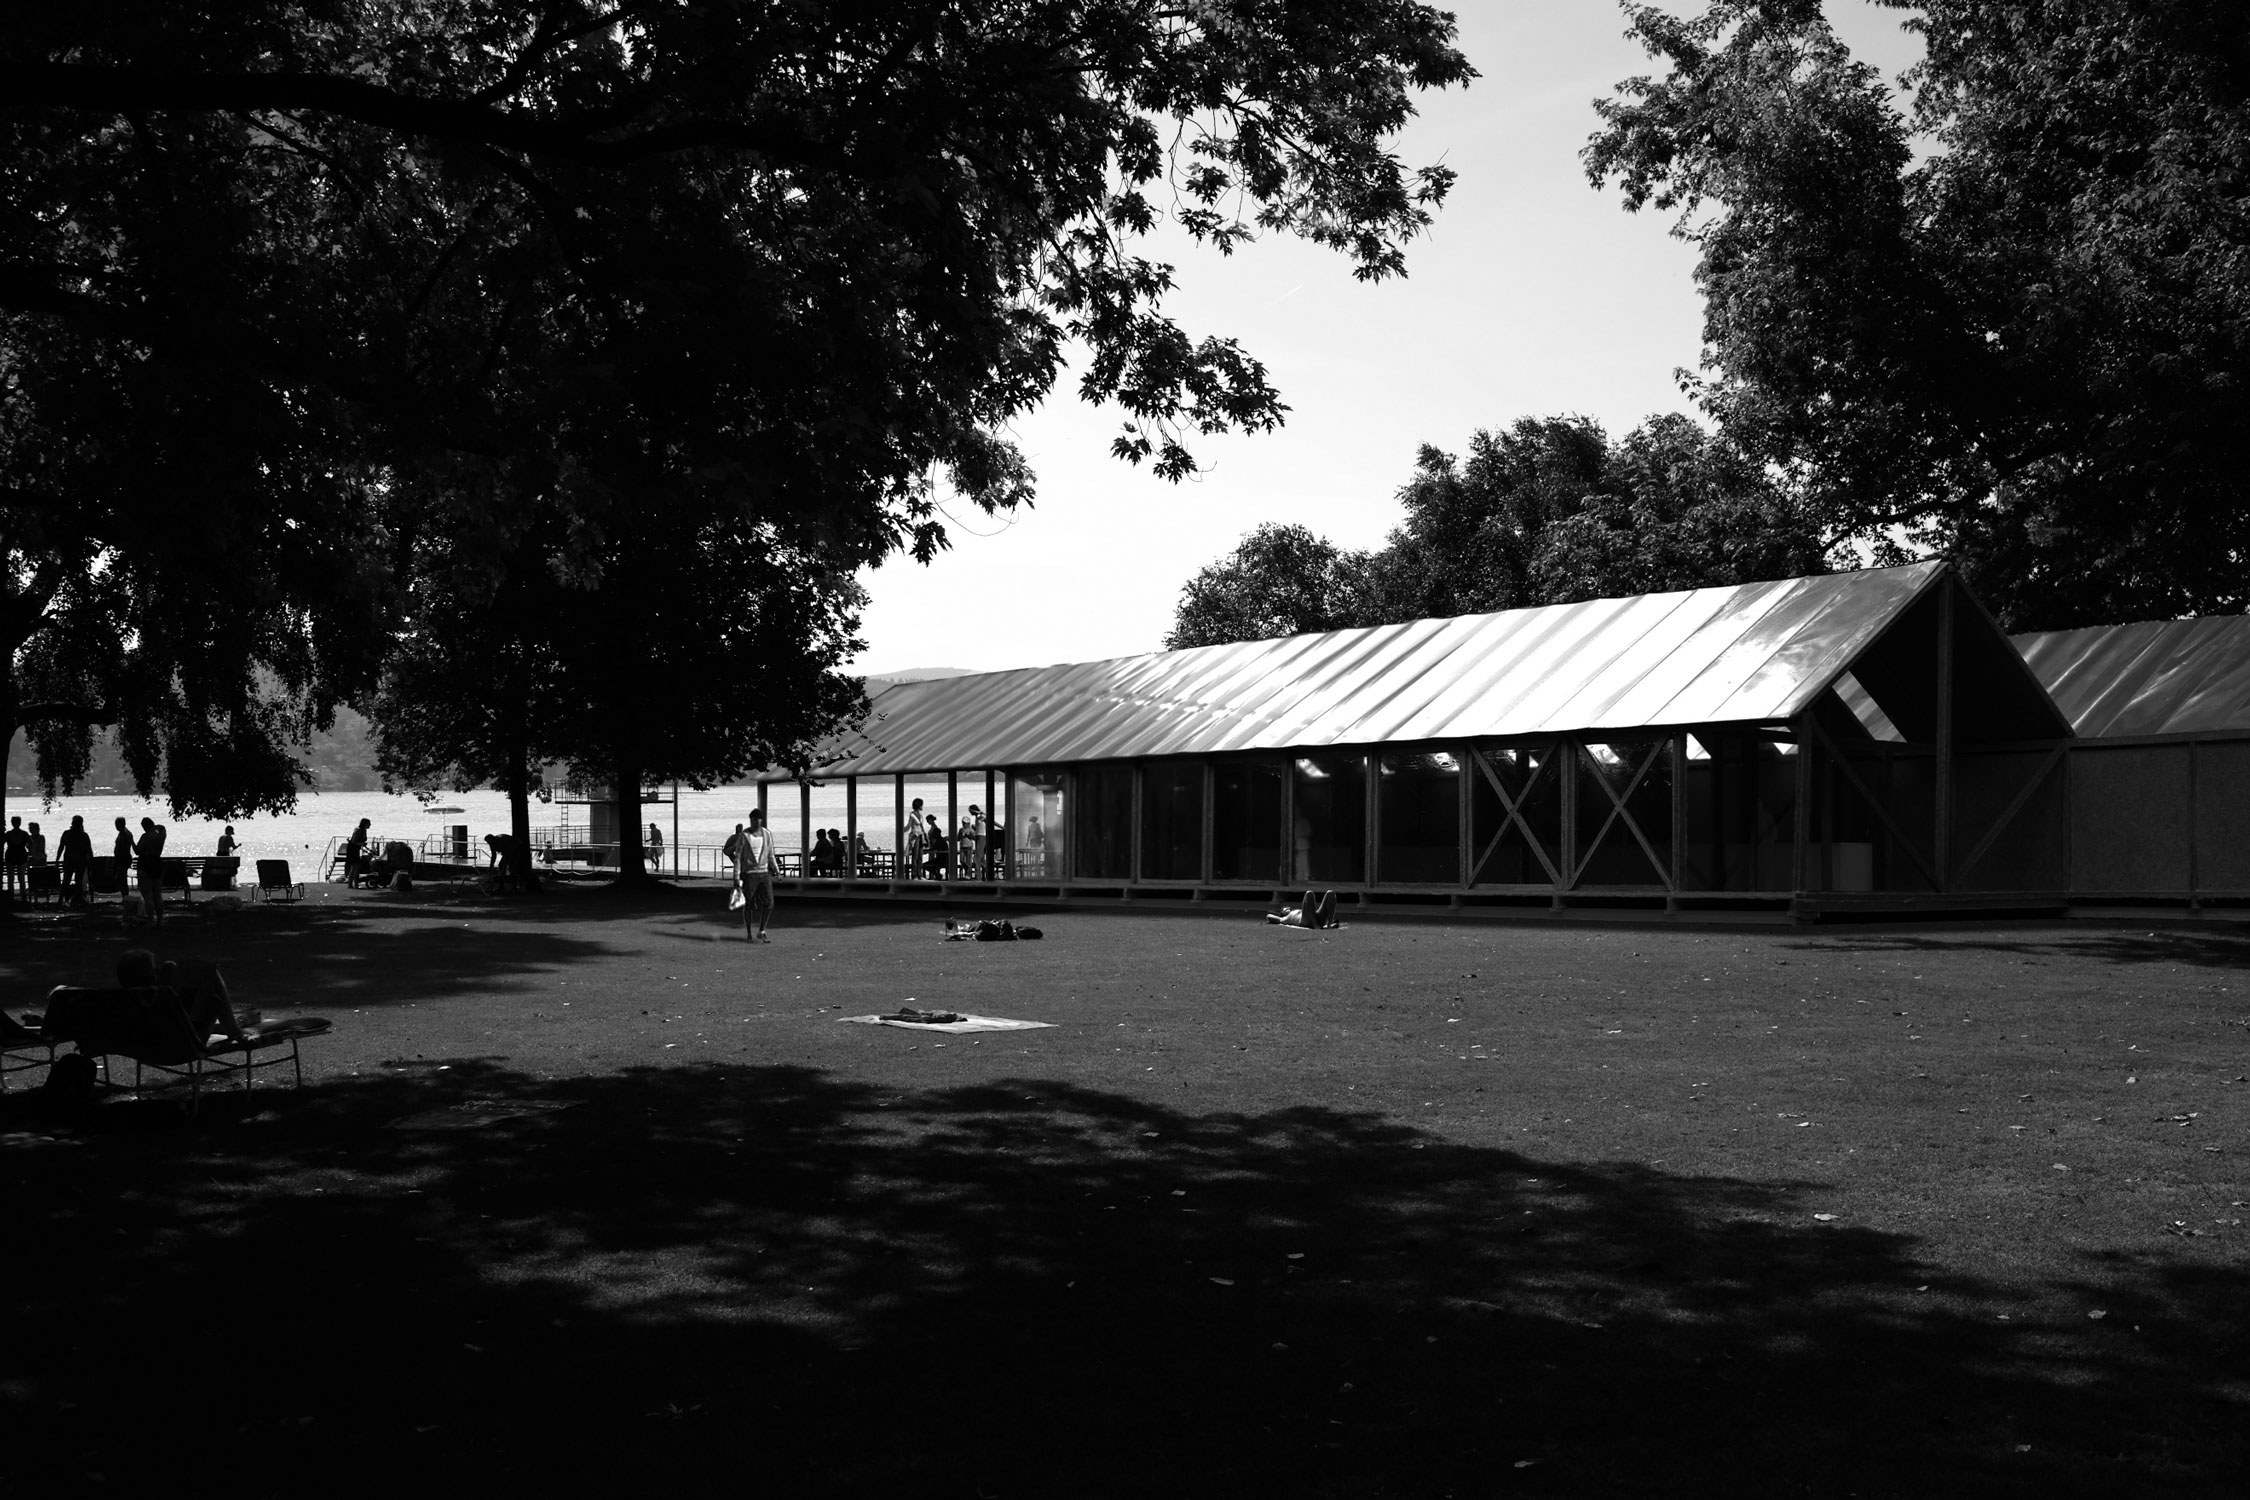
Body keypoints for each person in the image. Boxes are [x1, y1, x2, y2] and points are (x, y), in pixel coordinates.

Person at [733, 808, 775, 943]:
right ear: (750, 820)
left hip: (764, 872)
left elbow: (770, 853)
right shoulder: (744, 836)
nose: (755, 822)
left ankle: (762, 930)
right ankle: (749, 933)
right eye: (753, 819)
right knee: (749, 904)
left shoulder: (766, 834)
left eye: (758, 819)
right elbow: (738, 857)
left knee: (769, 903)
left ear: (761, 820)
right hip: (749, 874)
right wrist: (736, 876)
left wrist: (776, 868)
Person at [136, 817, 168, 926]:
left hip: (145, 864)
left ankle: (150, 920)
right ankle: (160, 919)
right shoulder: (161, 835)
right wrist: (155, 827)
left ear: (144, 827)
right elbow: (162, 827)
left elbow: (138, 851)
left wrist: (131, 842)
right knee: (157, 895)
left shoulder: (145, 837)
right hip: (157, 863)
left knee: (148, 896)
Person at [57, 815, 91, 905]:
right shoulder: (83, 835)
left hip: (69, 860)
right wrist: (91, 861)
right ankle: (76, 900)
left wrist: (57, 859)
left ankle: (61, 900)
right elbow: (89, 850)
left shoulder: (67, 834)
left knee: (66, 881)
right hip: (80, 861)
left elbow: (61, 848)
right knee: (78, 881)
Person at [111, 817, 135, 909]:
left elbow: (123, 848)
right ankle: (125, 898)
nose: (116, 827)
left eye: (117, 825)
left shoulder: (124, 834)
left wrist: (118, 858)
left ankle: (125, 898)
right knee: (122, 879)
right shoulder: (123, 833)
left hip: (123, 859)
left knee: (122, 879)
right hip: (123, 859)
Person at [342, 817, 371, 888]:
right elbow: (353, 841)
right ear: (365, 824)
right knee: (356, 866)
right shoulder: (358, 830)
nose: (370, 825)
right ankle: (354, 884)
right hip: (352, 849)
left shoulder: (364, 831)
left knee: (355, 867)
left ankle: (353, 884)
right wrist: (361, 844)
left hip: (356, 849)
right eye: (369, 823)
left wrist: (362, 844)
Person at [2, 816, 27, 897]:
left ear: (11, 823)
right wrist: (29, 854)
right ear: (20, 823)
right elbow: (31, 845)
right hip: (21, 857)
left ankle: (11, 896)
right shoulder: (24, 834)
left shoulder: (8, 834)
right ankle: (23, 896)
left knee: (10, 879)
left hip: (10, 857)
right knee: (21, 879)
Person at [960, 804, 987, 879]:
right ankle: (988, 873)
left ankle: (978, 876)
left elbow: (990, 820)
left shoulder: (981, 816)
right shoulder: (977, 818)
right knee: (981, 858)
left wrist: (1001, 827)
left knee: (976, 858)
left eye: (970, 811)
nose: (970, 813)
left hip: (982, 836)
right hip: (978, 836)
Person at [925, 814, 949, 879]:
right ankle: (934, 875)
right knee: (933, 860)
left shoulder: (934, 828)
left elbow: (934, 839)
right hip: (933, 846)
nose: (927, 822)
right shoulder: (933, 827)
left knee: (932, 861)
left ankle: (934, 875)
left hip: (934, 846)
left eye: (928, 820)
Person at [904, 810, 926, 879]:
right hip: (916, 837)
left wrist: (903, 829)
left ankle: (918, 874)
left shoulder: (918, 815)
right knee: (916, 856)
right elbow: (909, 826)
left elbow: (908, 826)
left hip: (919, 836)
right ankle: (916, 875)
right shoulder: (914, 815)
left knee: (918, 857)